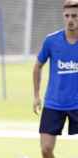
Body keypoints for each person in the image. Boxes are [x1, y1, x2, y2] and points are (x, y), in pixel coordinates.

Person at [33, 0, 78, 158]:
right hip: (54, 103)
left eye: (74, 16)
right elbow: (37, 66)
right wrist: (36, 95)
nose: (70, 20)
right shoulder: (51, 41)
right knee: (45, 149)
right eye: (67, 16)